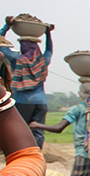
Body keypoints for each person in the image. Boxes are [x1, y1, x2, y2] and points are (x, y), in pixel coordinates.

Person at [1, 15, 55, 149]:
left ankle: (22, 154)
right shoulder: (43, 61)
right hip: (41, 102)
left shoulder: (17, 59)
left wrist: (6, 26)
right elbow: (49, 50)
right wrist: (48, 34)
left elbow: (1, 46)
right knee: (38, 132)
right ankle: (37, 154)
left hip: (23, 102)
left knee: (20, 129)